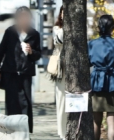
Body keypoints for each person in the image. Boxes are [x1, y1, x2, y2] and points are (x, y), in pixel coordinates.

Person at [0, 7, 42, 133]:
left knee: (25, 102)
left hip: (26, 72)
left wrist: (31, 51)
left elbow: (38, 55)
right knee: (11, 102)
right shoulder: (10, 32)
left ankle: (25, 131)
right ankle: (10, 130)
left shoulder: (34, 34)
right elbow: (1, 51)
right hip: (10, 71)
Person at [89, 15, 114, 140]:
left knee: (96, 121)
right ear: (112, 28)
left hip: (96, 82)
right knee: (112, 121)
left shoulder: (92, 44)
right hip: (113, 82)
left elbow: (87, 62)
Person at [52, 7, 67, 139]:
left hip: (74, 69)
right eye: (63, 12)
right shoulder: (57, 29)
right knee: (61, 100)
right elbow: (59, 40)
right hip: (61, 69)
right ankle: (62, 133)